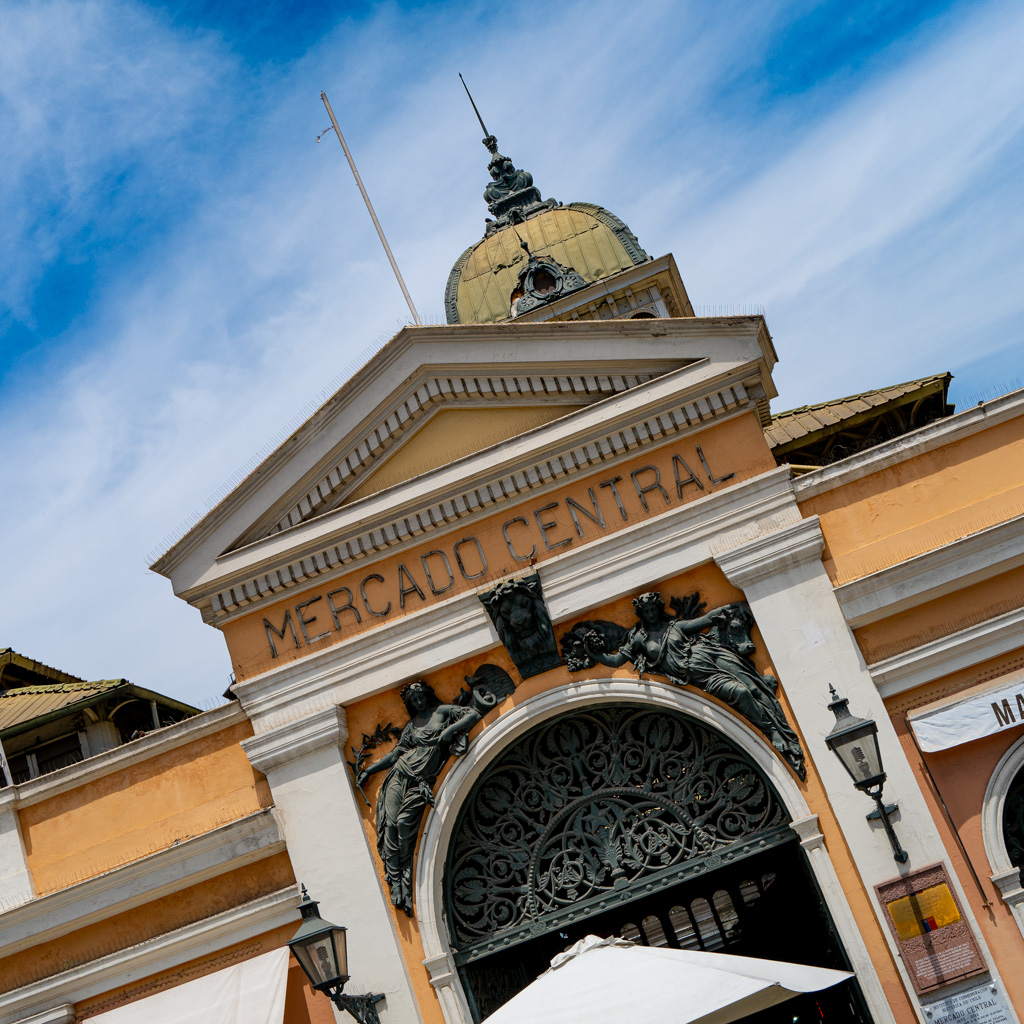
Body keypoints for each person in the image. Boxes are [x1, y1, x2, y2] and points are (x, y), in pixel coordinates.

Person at [583, 593, 805, 778]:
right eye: (646, 611)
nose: (651, 614)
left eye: (653, 609)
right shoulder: (639, 639)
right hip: (703, 678)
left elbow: (704, 621)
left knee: (755, 687)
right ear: (641, 613)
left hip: (711, 657)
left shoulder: (675, 626)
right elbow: (615, 661)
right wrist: (594, 653)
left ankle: (779, 731)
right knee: (740, 692)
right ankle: (771, 730)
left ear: (658, 609)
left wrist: (723, 612)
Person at [357, 682, 481, 916]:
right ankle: (398, 882)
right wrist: (370, 771)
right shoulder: (411, 726)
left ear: (426, 694)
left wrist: (448, 731)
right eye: (413, 701)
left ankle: (406, 873)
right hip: (399, 775)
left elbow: (473, 714)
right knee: (389, 825)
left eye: (420, 697)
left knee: (404, 823)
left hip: (420, 782)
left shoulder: (443, 712)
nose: (418, 702)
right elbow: (396, 754)